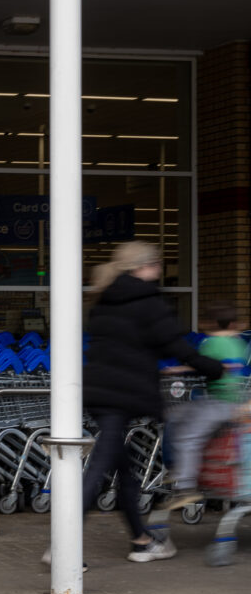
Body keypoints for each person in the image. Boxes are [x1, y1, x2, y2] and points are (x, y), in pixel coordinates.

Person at [80, 240, 222, 563]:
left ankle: (142, 542)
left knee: (124, 470)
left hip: (99, 390)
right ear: (142, 267)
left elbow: (133, 342)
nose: (160, 269)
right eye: (157, 263)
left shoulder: (106, 299)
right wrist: (213, 369)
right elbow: (177, 344)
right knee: (101, 464)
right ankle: (62, 542)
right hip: (122, 394)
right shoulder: (148, 300)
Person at [164, 301, 249, 509]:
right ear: (233, 325)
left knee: (187, 436)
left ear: (209, 323)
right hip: (230, 400)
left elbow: (205, 366)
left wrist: (179, 370)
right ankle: (180, 471)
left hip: (218, 401)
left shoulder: (211, 343)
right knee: (180, 419)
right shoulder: (238, 343)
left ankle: (185, 486)